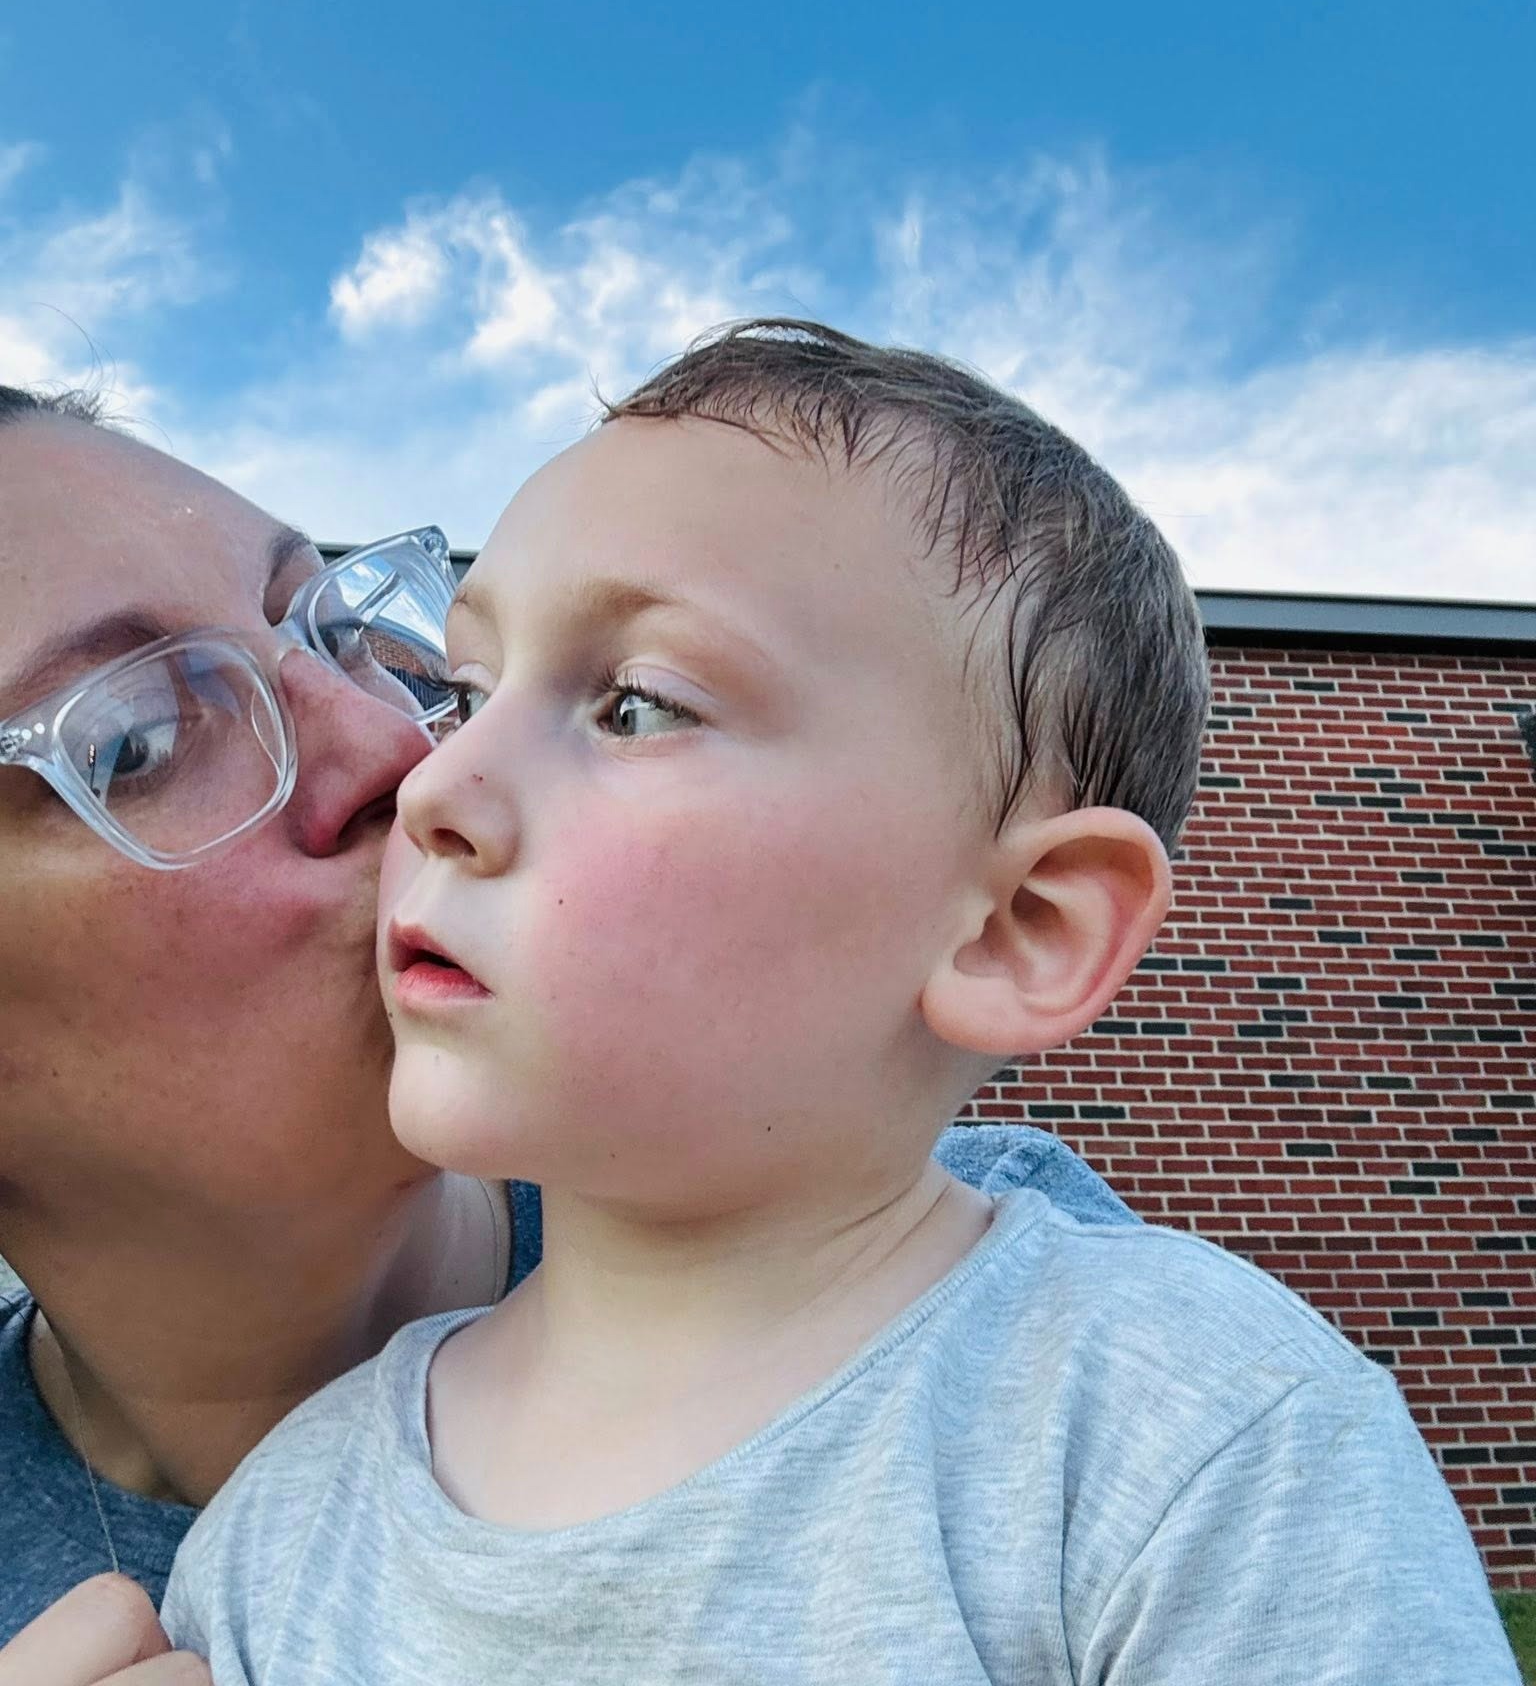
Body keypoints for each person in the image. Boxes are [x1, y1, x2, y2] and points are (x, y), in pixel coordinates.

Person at [161, 321, 1516, 1684]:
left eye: (636, 707)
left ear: (1017, 930)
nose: (431, 783)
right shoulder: (279, 1540)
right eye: (463, 692)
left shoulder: (1195, 1433)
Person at [0, 379, 1124, 1668]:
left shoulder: (1003, 1310)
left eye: (338, 634)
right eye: (138, 740)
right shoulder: (269, 1546)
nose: (406, 750)